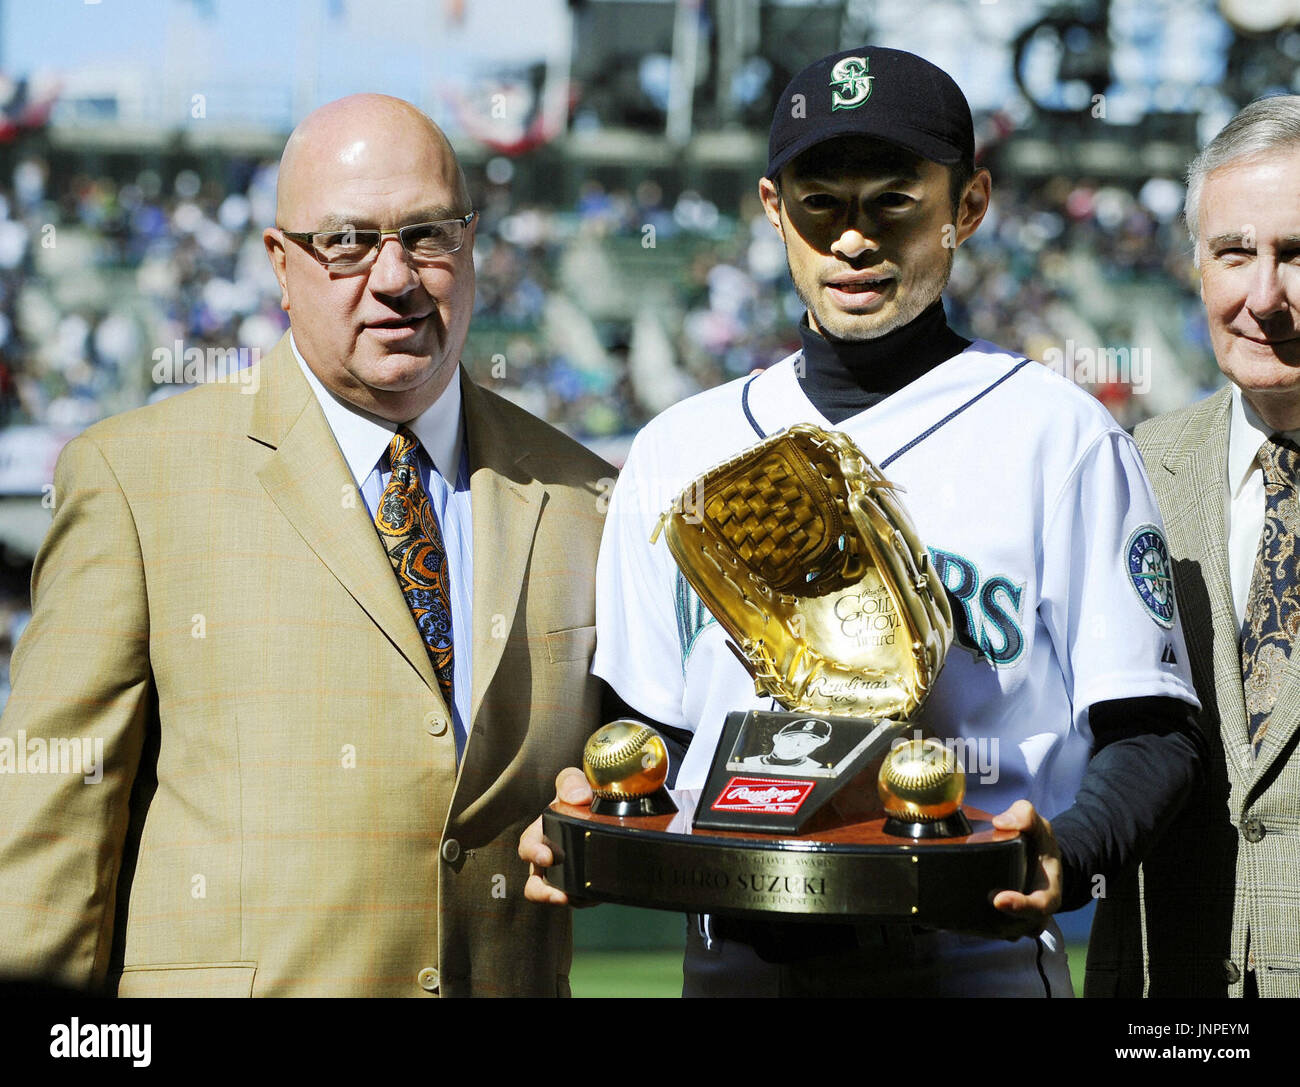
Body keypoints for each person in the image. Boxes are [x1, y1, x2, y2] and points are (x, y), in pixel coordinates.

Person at [522, 47, 1204, 997]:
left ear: (966, 206)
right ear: (773, 211)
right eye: (822, 205)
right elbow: (651, 729)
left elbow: (1152, 725)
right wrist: (604, 814)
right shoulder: (679, 449)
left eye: (895, 201)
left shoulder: (1061, 434)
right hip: (732, 965)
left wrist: (1070, 852)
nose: (853, 239)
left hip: (975, 959)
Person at [0, 94, 610, 997]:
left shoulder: (586, 495)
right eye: (348, 241)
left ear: (473, 246)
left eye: (428, 235)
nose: (395, 276)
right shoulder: (135, 481)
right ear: (280, 265)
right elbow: (50, 839)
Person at [1086, 96, 1300, 998]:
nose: (1263, 297)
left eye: (1298, 254)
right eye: (1235, 253)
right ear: (1195, 266)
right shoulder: (1129, 470)